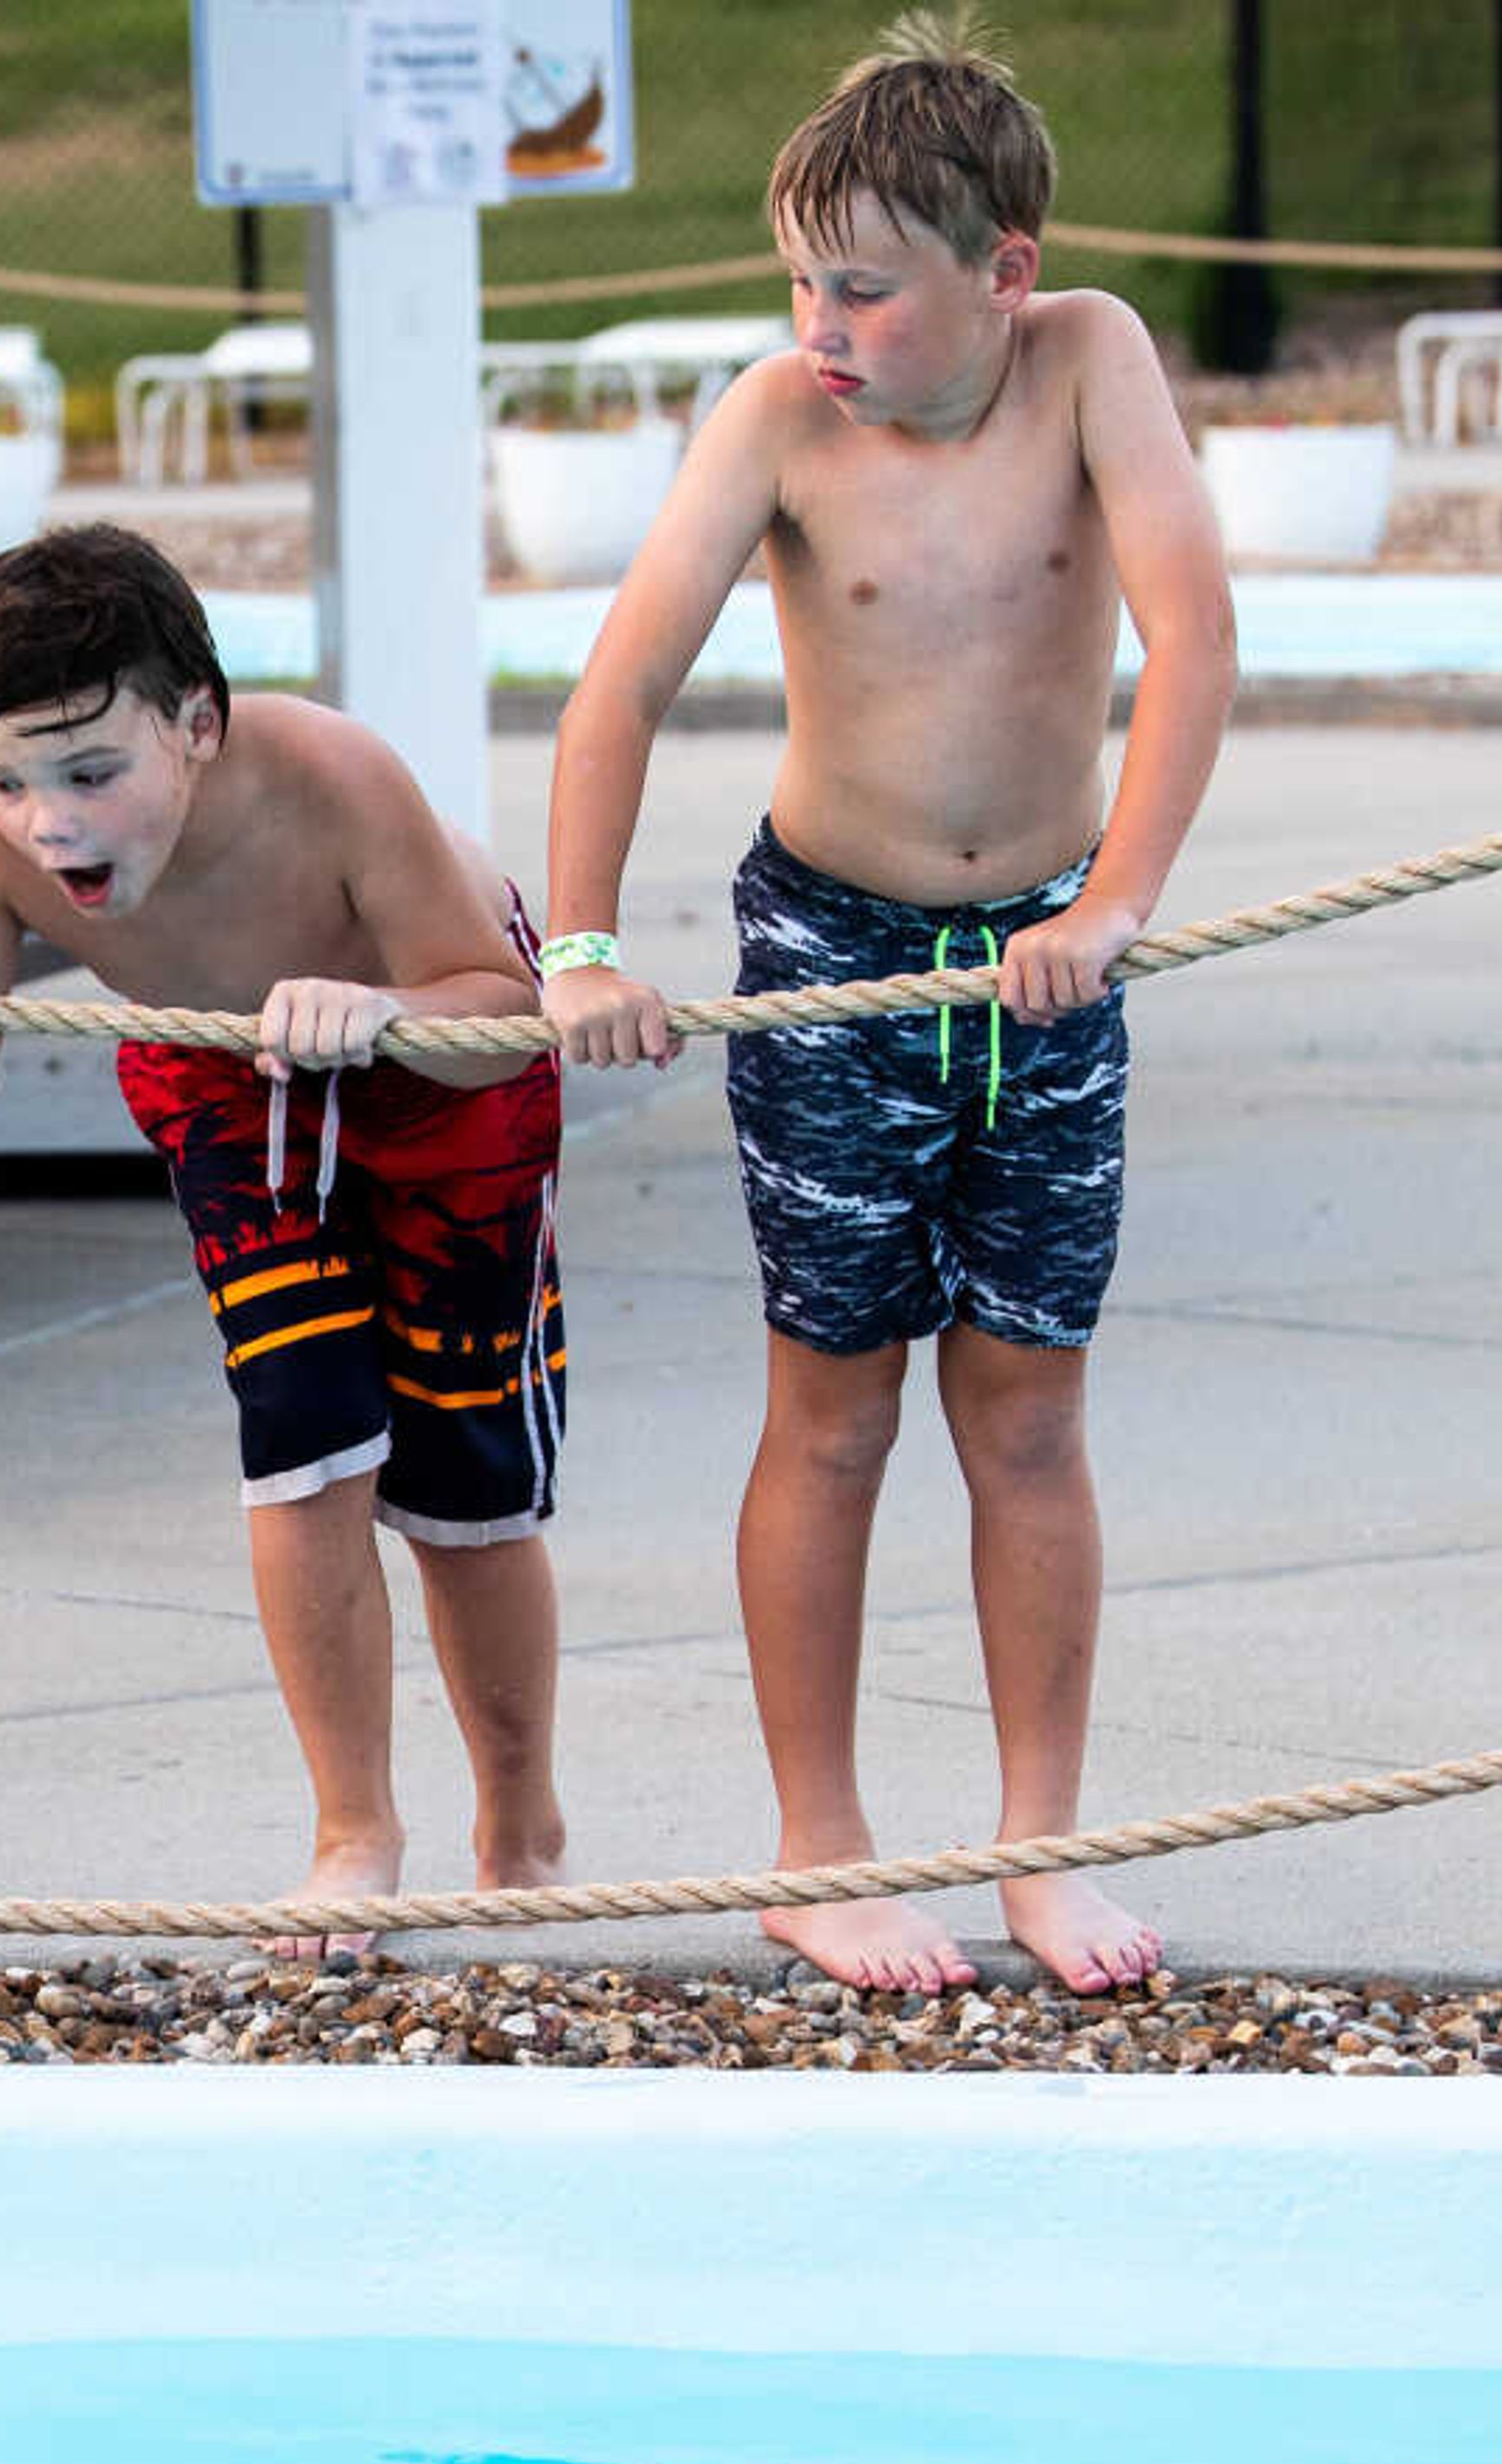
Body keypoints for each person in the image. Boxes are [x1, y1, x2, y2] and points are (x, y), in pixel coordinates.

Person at [543, 12, 1234, 1996]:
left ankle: (1043, 1840)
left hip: (1042, 966)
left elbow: (1194, 635)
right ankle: (820, 1849)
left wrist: (1114, 904)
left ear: (1003, 272)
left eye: (864, 289)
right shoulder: (776, 423)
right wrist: (578, 944)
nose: (820, 324)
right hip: (835, 966)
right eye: (800, 283)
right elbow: (622, 692)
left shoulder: (1094, 362)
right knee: (831, 1412)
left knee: (1027, 1413)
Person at [0, 526, 568, 1947]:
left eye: (92, 773)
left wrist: (392, 1017)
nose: (49, 823)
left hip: (441, 1074)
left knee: (464, 1477)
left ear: (197, 723)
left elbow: (500, 1010)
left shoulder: (330, 778)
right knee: (302, 1437)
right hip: (227, 1085)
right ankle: (353, 1835)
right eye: (5, 782)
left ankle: (520, 1822)